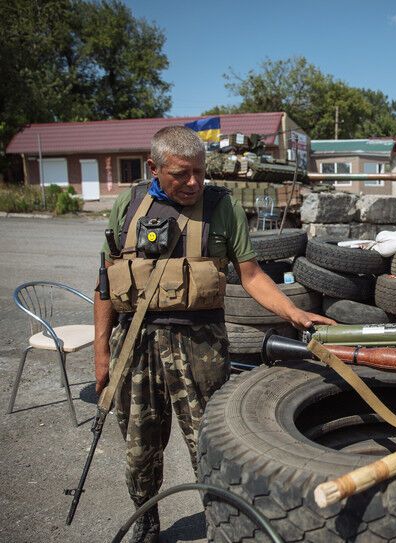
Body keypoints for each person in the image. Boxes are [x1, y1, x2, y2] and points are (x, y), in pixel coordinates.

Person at [93, 126, 334, 543]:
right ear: (154, 167)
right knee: (139, 446)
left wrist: (294, 312)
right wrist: (100, 353)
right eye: (181, 174)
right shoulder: (128, 205)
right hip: (135, 344)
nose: (193, 183)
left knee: (209, 442)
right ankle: (146, 521)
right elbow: (105, 283)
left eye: (200, 173)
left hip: (198, 346)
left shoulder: (222, 207)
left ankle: (222, 519)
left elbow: (252, 276)